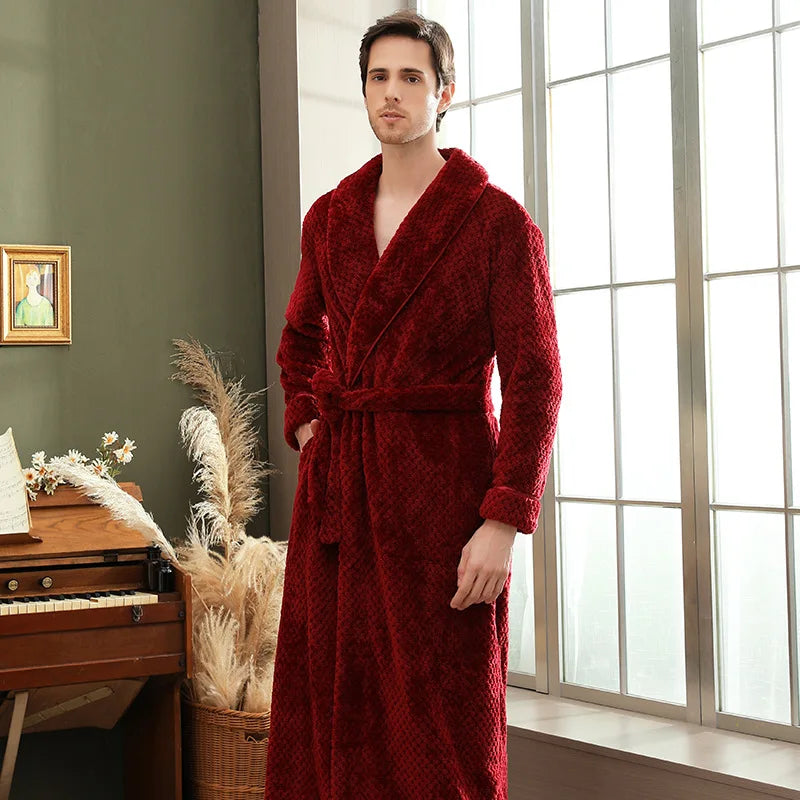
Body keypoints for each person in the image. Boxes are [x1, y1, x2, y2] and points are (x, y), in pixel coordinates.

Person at [265, 10, 561, 799]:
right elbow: (301, 340)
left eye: (411, 78)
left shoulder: (498, 225)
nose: (391, 94)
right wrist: (309, 424)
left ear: (445, 93)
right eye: (377, 77)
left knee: (446, 723)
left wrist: (503, 519)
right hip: (341, 500)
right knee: (335, 710)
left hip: (445, 499)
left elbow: (536, 379)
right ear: (362, 90)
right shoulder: (329, 218)